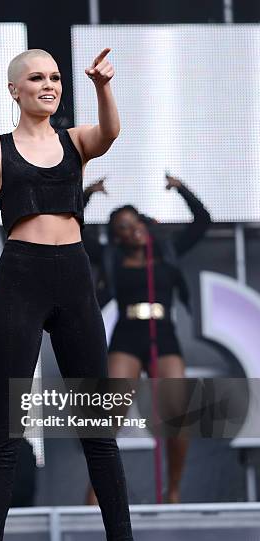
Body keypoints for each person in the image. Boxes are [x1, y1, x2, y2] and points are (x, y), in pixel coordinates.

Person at [0, 48, 139, 541]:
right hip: (19, 278)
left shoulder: (76, 141)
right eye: (37, 77)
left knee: (96, 423)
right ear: (14, 89)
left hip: (74, 277)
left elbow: (110, 134)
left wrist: (104, 85)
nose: (49, 85)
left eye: (56, 77)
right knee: (7, 429)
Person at [82, 175, 211, 504]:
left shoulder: (166, 250)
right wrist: (86, 195)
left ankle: (174, 489)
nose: (132, 229)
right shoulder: (111, 257)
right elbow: (74, 228)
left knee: (178, 414)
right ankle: (96, 492)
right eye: (123, 227)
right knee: (111, 413)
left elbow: (202, 222)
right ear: (116, 236)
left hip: (163, 334)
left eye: (135, 222)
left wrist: (181, 188)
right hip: (127, 333)